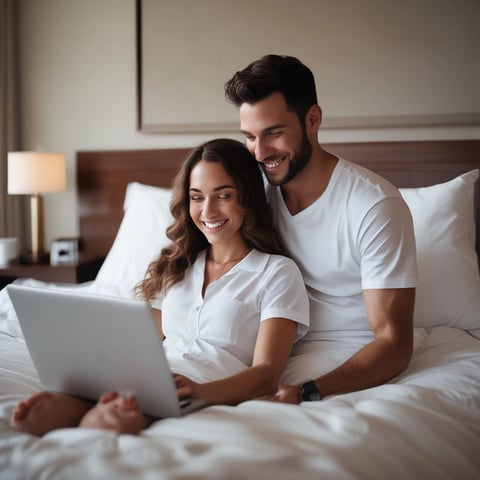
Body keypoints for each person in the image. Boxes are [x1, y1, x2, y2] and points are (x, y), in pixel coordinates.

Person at [11, 139, 309, 435]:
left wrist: (200, 391)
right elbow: (137, 337)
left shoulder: (276, 272)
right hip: (149, 380)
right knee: (47, 414)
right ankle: (92, 402)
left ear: (248, 197)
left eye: (224, 195)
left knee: (106, 423)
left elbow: (267, 373)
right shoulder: (179, 265)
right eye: (197, 197)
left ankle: (105, 414)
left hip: (200, 387)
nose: (208, 211)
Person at [224, 54, 417, 404]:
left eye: (274, 133)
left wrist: (307, 391)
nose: (260, 152)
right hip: (263, 352)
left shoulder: (373, 205)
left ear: (313, 119)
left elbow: (394, 343)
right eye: (250, 137)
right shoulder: (254, 195)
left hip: (346, 360)